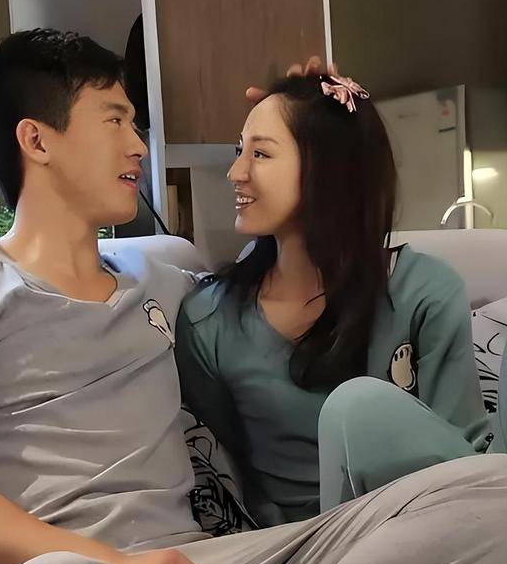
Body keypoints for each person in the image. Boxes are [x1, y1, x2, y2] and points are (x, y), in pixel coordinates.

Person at [0, 29, 507, 564]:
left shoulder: (173, 294)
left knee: (495, 489)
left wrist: (323, 118)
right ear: (37, 139)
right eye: (115, 120)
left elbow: (298, 303)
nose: (138, 146)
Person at [175, 61, 501, 526]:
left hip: (442, 521)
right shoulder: (210, 318)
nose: (235, 172)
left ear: (328, 168)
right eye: (239, 150)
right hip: (314, 546)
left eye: (260, 153)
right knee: (356, 408)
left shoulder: (424, 290)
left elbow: (464, 461)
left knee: (361, 410)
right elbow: (231, 470)